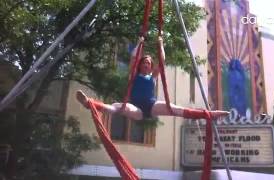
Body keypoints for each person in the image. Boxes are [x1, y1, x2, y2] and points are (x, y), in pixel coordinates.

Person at [76, 37, 229, 120]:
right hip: (137, 108)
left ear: (151, 66)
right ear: (140, 65)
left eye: (149, 63)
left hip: (151, 106)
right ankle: (91, 104)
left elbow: (162, 61)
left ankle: (209, 115)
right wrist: (139, 43)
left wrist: (161, 43)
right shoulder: (134, 74)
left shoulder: (153, 76)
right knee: (118, 106)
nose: (146, 64)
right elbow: (133, 58)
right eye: (144, 62)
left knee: (175, 109)